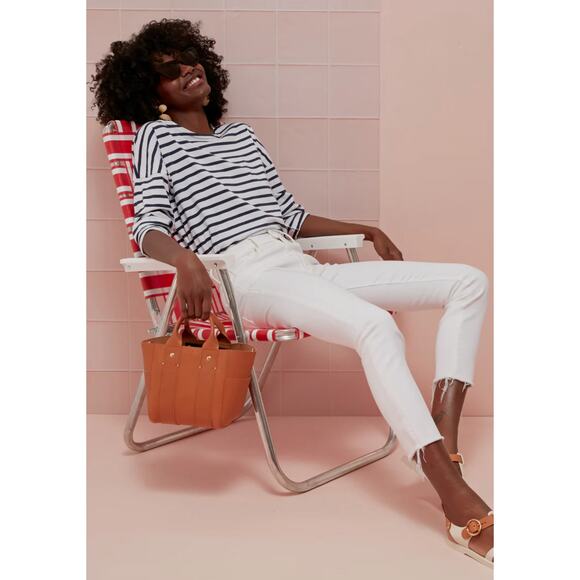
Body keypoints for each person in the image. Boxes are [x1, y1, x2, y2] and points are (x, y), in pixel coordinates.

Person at [90, 18, 494, 568]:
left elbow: (289, 215)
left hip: (298, 265)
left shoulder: (242, 137)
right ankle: (448, 487)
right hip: (244, 277)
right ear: (150, 90)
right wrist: (185, 260)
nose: (186, 70)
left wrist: (366, 228)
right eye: (168, 69)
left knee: (468, 280)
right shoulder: (155, 139)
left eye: (189, 58)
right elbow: (149, 224)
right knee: (377, 326)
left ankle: (443, 436)